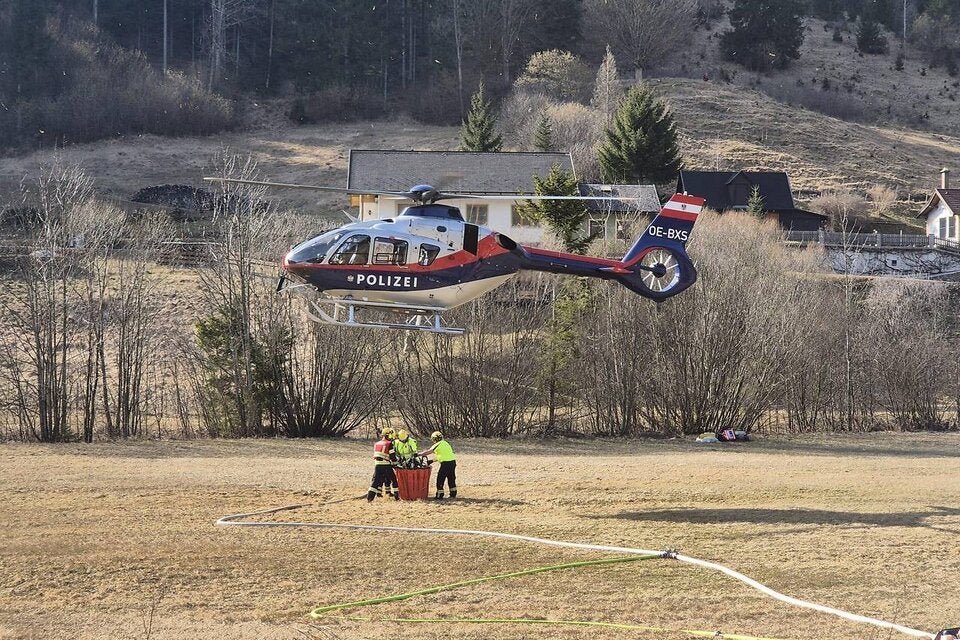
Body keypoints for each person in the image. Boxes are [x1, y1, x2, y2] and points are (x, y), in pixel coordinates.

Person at [368, 427, 399, 502]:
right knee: (394, 480)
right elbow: (392, 456)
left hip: (377, 465)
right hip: (386, 465)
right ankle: (397, 497)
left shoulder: (377, 443)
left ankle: (369, 498)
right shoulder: (389, 444)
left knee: (375, 482)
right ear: (388, 435)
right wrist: (396, 463)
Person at [423, 430, 456, 499]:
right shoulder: (446, 443)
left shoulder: (437, 444)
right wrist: (432, 460)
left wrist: (418, 454)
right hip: (452, 462)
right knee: (451, 478)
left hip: (445, 464)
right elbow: (442, 455)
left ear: (434, 439)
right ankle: (453, 494)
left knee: (440, 478)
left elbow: (429, 451)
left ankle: (439, 495)